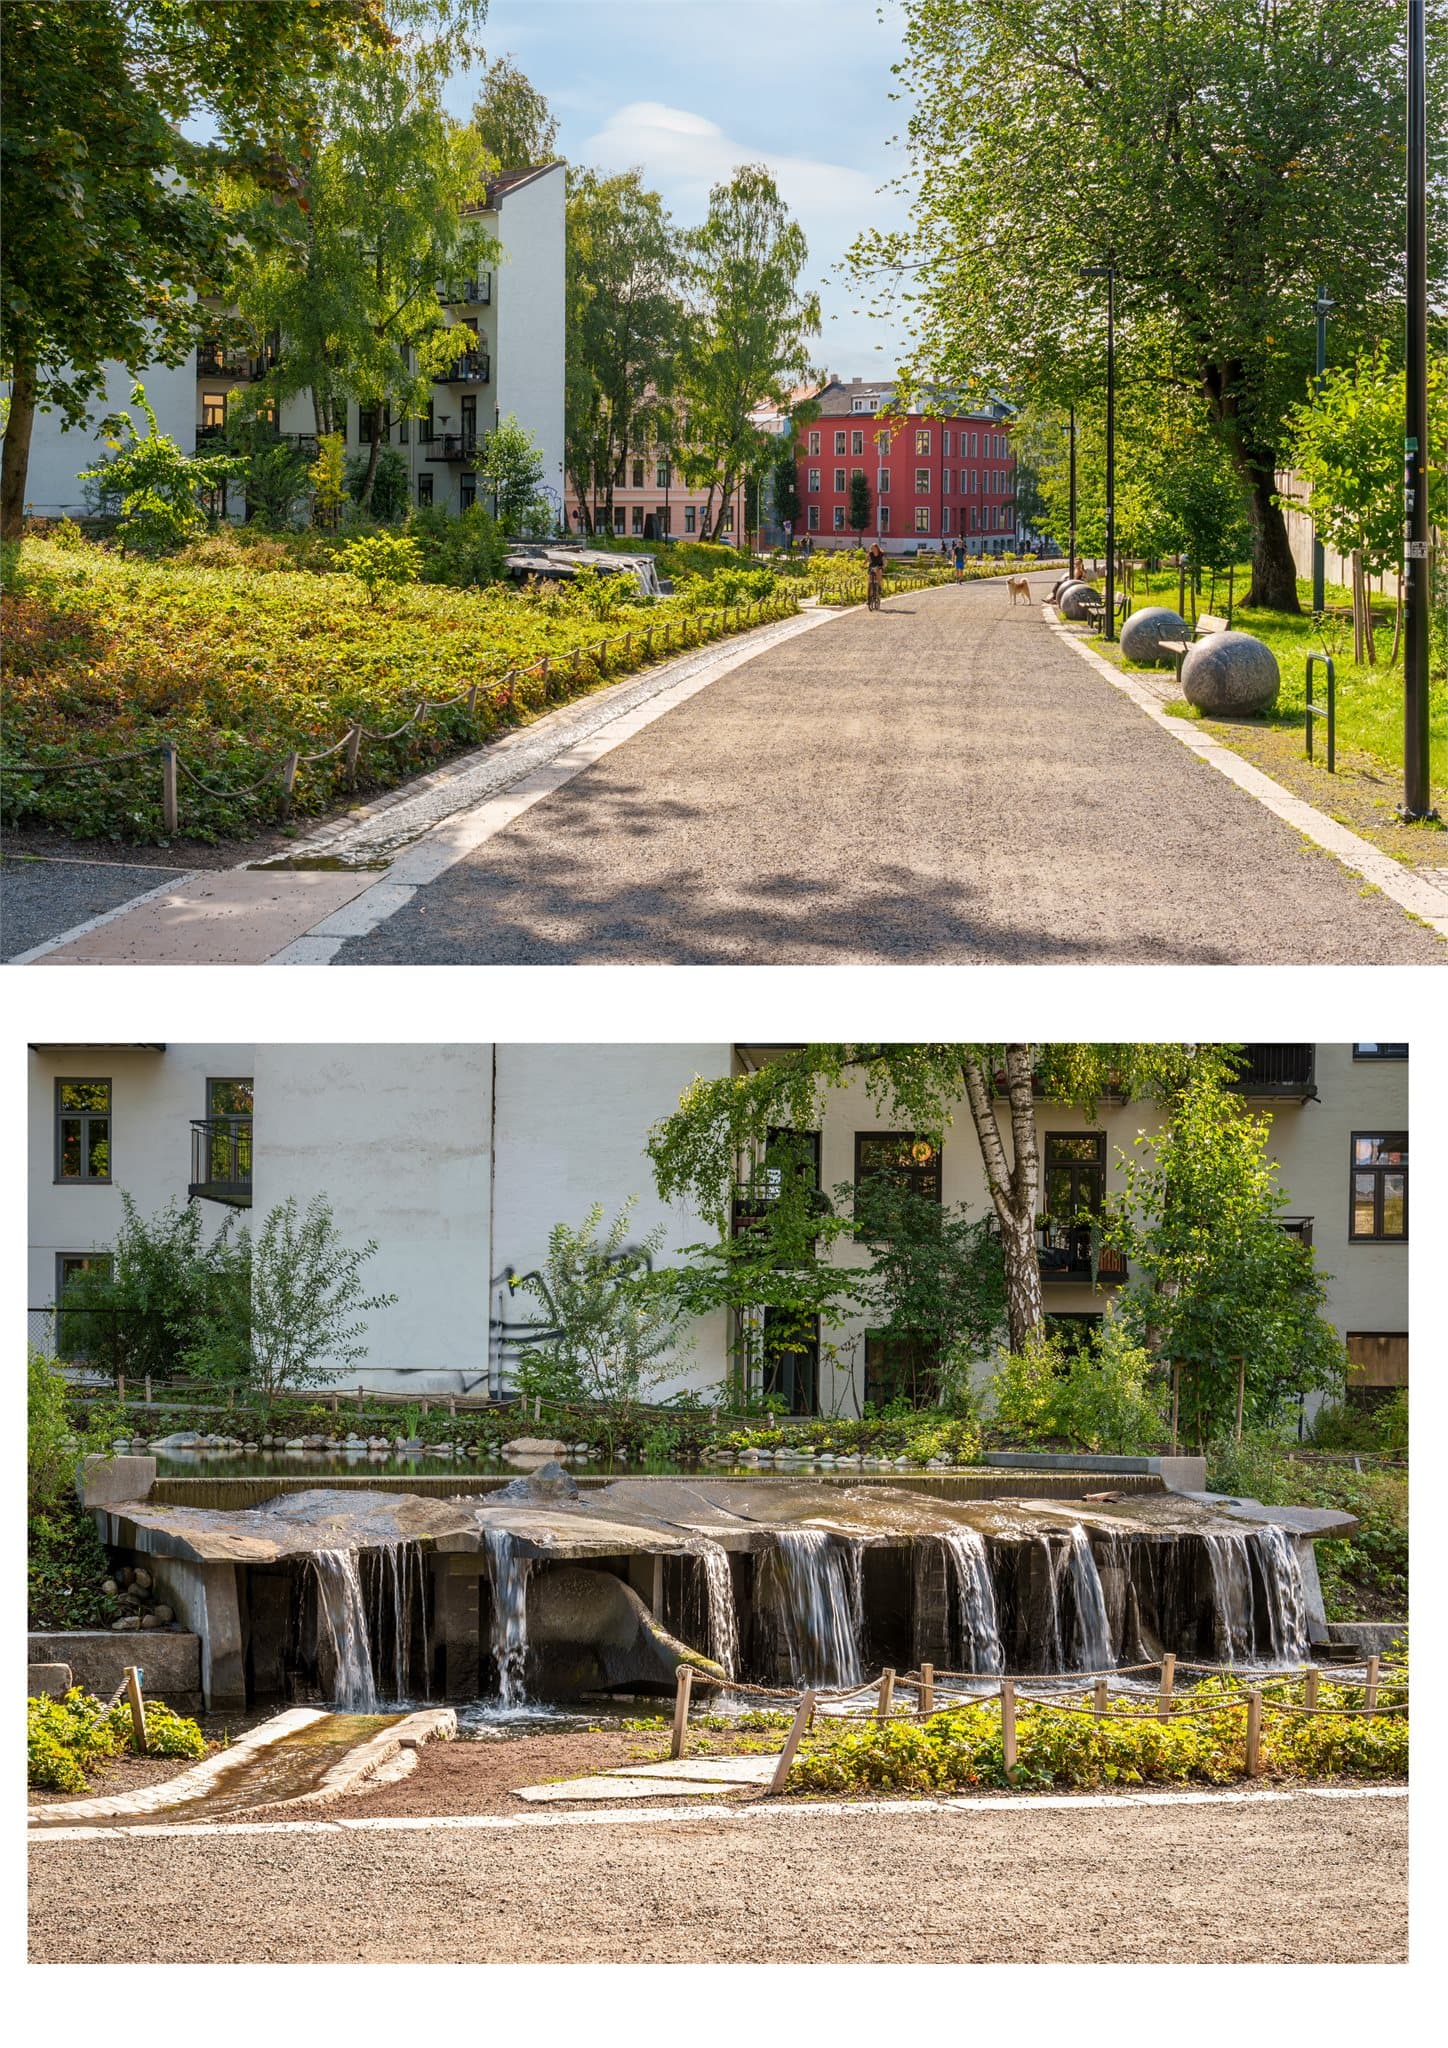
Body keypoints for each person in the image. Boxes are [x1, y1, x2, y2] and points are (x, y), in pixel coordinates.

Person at [866, 540, 885, 610]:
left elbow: (885, 561)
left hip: (879, 566)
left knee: (878, 571)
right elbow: (866, 559)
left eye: (874, 548)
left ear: (877, 548)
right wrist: (863, 564)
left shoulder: (881, 554)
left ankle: (879, 586)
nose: (873, 550)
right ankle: (869, 598)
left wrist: (884, 566)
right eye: (872, 548)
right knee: (869, 581)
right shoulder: (870, 553)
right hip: (872, 567)